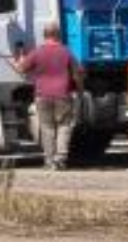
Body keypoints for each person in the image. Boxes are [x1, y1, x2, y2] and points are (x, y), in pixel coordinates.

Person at [14, 22, 84, 171]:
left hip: (42, 95)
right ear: (58, 35)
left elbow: (21, 69)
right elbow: (78, 74)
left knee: (47, 128)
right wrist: (79, 91)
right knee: (64, 126)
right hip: (62, 95)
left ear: (44, 35)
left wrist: (18, 60)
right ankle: (61, 158)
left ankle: (49, 160)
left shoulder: (37, 52)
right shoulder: (66, 52)